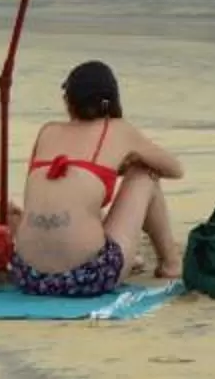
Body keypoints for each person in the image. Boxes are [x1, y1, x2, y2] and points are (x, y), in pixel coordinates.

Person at [11, 62, 183, 296]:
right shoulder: (118, 129)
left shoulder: (48, 131)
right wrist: (131, 159)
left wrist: (109, 168)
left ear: (68, 101)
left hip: (28, 275)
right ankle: (170, 263)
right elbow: (174, 169)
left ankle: (131, 257)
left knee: (82, 196)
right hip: (89, 276)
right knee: (144, 174)